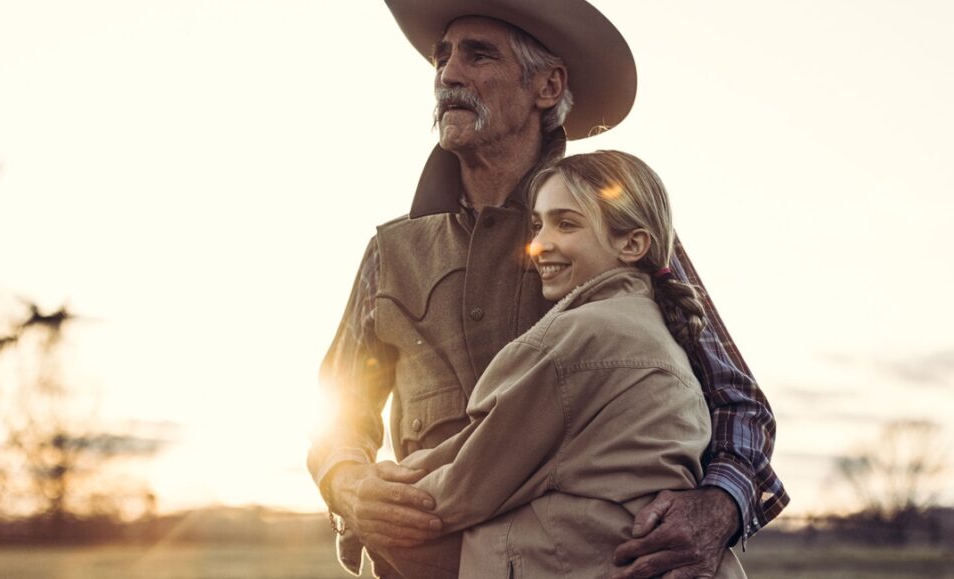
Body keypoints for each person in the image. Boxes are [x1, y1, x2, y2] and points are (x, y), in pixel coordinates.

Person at [308, 1, 788, 577]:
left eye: (478, 54)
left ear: (547, 85)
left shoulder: (612, 225)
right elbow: (337, 410)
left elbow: (739, 404)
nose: (449, 74)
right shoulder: (390, 254)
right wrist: (349, 484)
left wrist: (718, 509)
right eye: (442, 57)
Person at [388, 149, 747, 578]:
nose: (539, 243)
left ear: (632, 244)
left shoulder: (578, 337)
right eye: (537, 224)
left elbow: (472, 480)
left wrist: (376, 504)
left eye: (567, 223)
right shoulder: (653, 329)